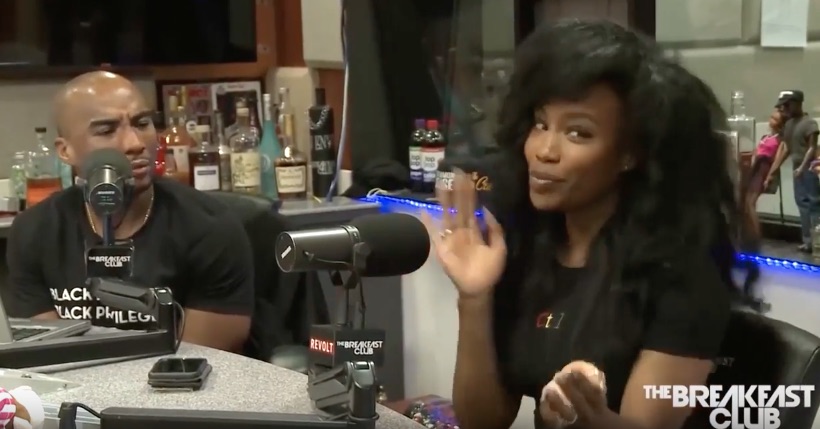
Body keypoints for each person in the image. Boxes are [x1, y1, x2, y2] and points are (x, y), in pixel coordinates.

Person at [423, 20, 759, 429]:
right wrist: (474, 299)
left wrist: (589, 416)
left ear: (630, 153)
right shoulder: (528, 246)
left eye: (578, 133)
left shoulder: (683, 276)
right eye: (541, 123)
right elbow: (483, 421)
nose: (544, 150)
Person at [7, 71, 254, 353]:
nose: (135, 143)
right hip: (77, 378)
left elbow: (199, 358)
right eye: (106, 131)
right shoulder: (34, 230)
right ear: (65, 151)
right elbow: (46, 351)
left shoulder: (209, 226)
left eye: (142, 123)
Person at [770, 89, 820, 253]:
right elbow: (786, 148)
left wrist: (803, 167)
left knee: (814, 203)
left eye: (787, 105)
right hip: (797, 167)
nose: (784, 109)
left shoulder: (810, 124)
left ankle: (817, 241)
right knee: (802, 203)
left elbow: (812, 148)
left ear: (797, 103)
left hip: (809, 168)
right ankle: (807, 240)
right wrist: (774, 168)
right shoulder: (789, 125)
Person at [743, 110, 784, 237]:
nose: (771, 121)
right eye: (772, 117)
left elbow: (777, 159)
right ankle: (749, 231)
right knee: (747, 202)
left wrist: (770, 175)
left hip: (764, 168)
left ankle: (755, 233)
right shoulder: (765, 137)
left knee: (750, 202)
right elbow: (756, 152)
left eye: (775, 119)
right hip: (756, 167)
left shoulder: (780, 139)